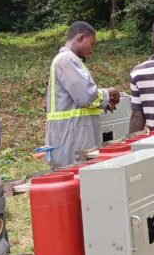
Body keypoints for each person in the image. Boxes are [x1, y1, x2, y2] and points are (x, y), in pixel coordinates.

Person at [45, 21, 120, 170]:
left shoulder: (69, 60)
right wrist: (109, 93)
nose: (91, 50)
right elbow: (86, 96)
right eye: (91, 44)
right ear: (80, 38)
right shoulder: (67, 60)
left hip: (73, 135)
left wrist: (103, 101)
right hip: (72, 138)